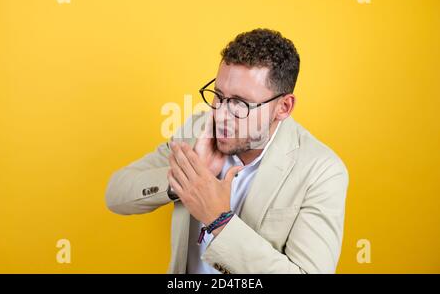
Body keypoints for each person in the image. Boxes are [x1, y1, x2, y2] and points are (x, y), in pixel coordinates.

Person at [105, 28, 349, 274]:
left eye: (240, 103)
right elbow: (115, 194)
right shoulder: (197, 130)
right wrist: (185, 178)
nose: (220, 115)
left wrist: (219, 219)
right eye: (219, 96)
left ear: (283, 107)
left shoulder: (322, 171)